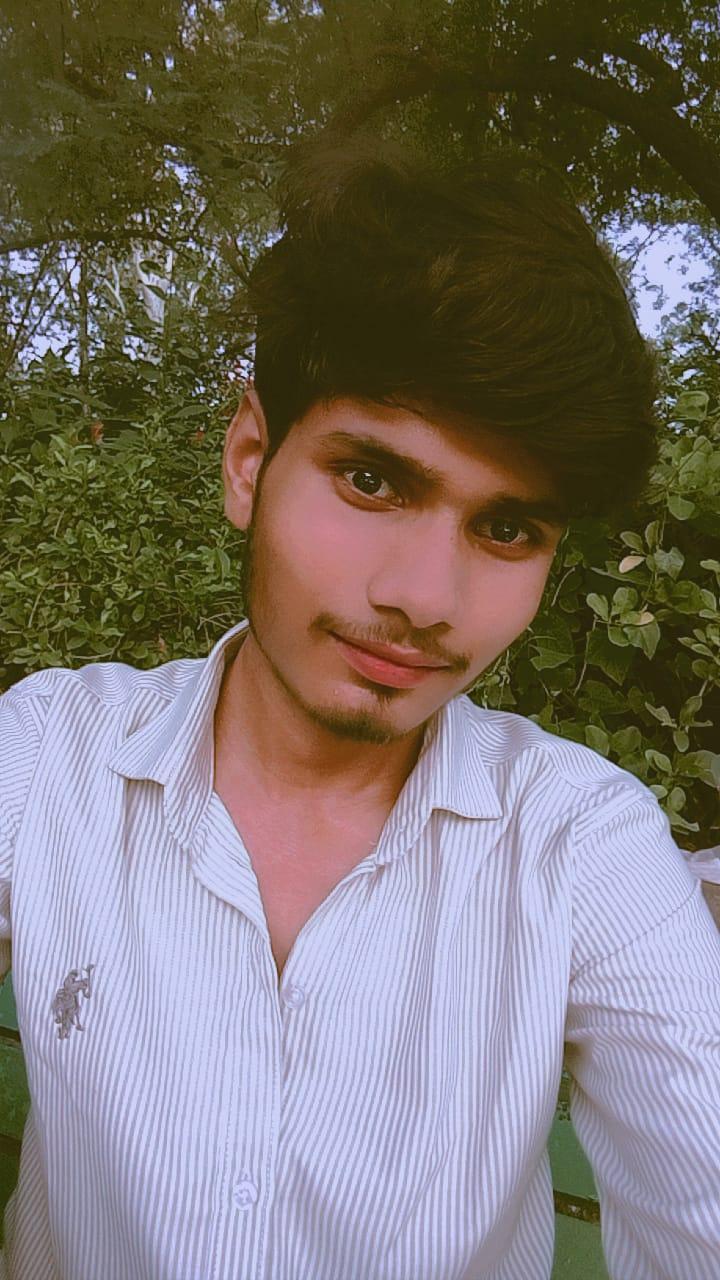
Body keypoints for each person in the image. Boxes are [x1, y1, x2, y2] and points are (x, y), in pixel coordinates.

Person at [0, 133, 718, 1280]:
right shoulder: (46, 758)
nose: (424, 599)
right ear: (249, 458)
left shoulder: (580, 848)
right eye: (373, 479)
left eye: (506, 527)